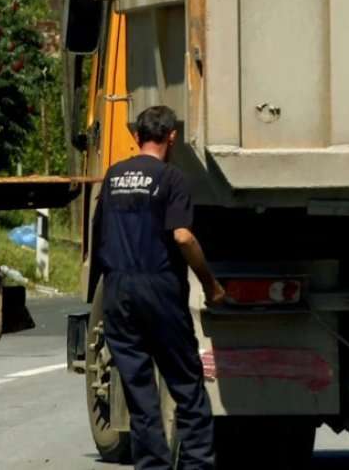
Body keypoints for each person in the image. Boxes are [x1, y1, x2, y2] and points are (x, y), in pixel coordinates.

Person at [94, 105, 225, 470]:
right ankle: (197, 464)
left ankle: (152, 466)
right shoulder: (171, 178)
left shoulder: (113, 176)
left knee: (139, 391)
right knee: (186, 384)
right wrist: (210, 283)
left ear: (136, 136)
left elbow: (101, 233)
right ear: (172, 138)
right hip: (159, 286)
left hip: (118, 287)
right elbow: (182, 236)